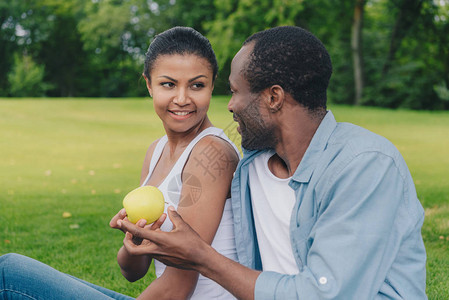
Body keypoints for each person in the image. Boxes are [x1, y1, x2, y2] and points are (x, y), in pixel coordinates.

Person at [117, 26, 428, 300]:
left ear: (274, 98)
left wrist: (201, 257)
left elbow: (325, 295)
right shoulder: (253, 165)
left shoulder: (365, 166)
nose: (229, 105)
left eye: (236, 91)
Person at [0, 27, 240, 300]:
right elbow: (133, 271)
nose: (182, 98)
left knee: (8, 275)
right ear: (149, 84)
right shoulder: (157, 151)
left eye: (197, 85)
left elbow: (178, 287)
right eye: (168, 84)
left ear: (212, 85)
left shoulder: (212, 153)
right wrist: (134, 240)